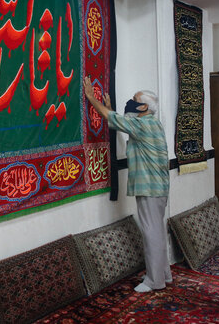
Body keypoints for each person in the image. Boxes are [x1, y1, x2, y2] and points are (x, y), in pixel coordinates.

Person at [83, 76, 171, 292]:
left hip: (150, 189)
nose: (130, 102)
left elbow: (113, 119)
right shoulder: (150, 123)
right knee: (157, 231)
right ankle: (164, 275)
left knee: (151, 233)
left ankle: (154, 281)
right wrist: (109, 108)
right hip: (157, 188)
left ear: (143, 107)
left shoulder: (143, 125)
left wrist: (92, 99)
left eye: (134, 100)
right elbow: (120, 121)